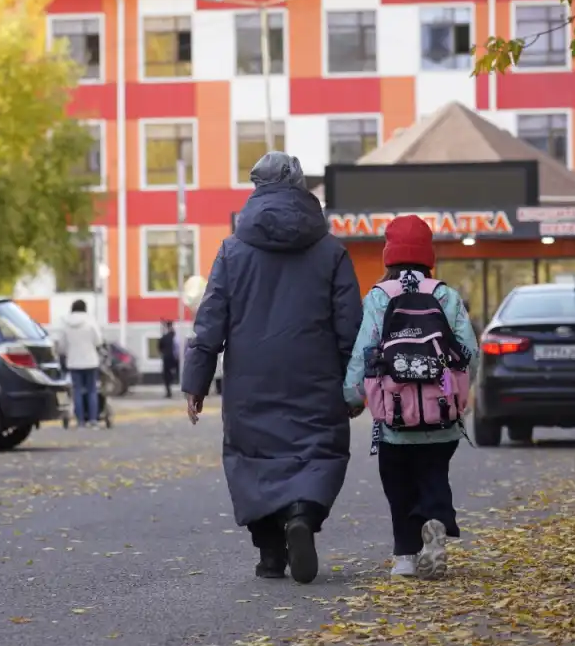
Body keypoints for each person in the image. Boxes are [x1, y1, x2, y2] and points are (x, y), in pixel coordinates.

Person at [182, 151, 363, 585]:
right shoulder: (331, 251)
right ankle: (302, 513)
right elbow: (350, 325)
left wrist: (196, 380)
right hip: (315, 376)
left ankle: (270, 555)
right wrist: (355, 384)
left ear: (256, 187)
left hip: (251, 380)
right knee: (316, 450)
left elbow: (211, 320)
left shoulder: (232, 250)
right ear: (301, 186)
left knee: (254, 458)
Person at [343, 215, 479, 580]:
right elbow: (468, 350)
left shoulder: (379, 296)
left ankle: (405, 555)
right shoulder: (444, 295)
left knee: (398, 481)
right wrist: (459, 399)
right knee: (434, 473)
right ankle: (435, 519)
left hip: (394, 417)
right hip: (441, 416)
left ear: (389, 254)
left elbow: (364, 351)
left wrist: (353, 397)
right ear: (427, 254)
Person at [55, 300, 104, 428]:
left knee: (77, 391)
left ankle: (80, 421)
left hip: (74, 362)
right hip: (91, 361)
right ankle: (93, 420)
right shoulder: (90, 322)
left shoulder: (65, 324)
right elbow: (98, 341)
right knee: (92, 390)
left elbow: (61, 346)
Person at [159, 320, 179, 398]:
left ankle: (168, 392)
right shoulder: (175, 336)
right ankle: (185, 392)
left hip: (167, 357)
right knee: (180, 374)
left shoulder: (164, 337)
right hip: (176, 358)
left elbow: (160, 347)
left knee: (166, 375)